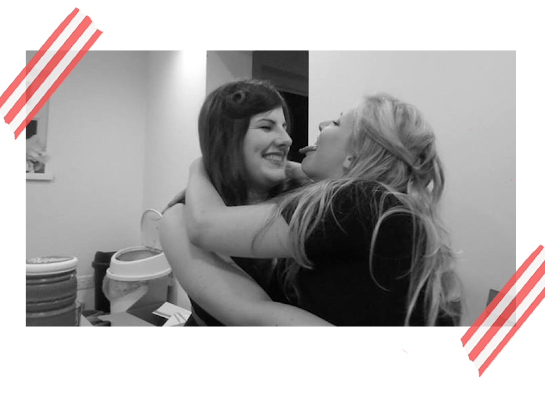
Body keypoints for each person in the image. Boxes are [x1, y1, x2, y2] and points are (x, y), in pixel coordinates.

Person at [182, 92, 464, 326]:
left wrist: (200, 165)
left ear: (353, 156)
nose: (320, 125)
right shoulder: (388, 207)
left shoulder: (359, 200)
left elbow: (205, 225)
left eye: (336, 123)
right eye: (266, 127)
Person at [160, 79, 332, 327]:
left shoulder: (304, 197)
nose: (286, 139)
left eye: (284, 127)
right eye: (266, 127)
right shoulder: (180, 219)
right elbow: (251, 315)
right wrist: (201, 166)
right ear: (226, 137)